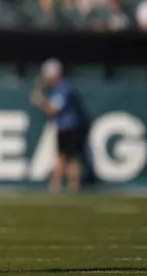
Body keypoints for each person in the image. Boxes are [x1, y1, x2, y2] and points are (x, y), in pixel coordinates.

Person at [30, 58, 89, 193]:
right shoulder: (60, 88)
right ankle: (71, 185)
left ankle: (58, 184)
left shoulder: (63, 88)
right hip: (67, 126)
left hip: (69, 127)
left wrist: (40, 100)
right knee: (69, 157)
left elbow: (53, 110)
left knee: (64, 157)